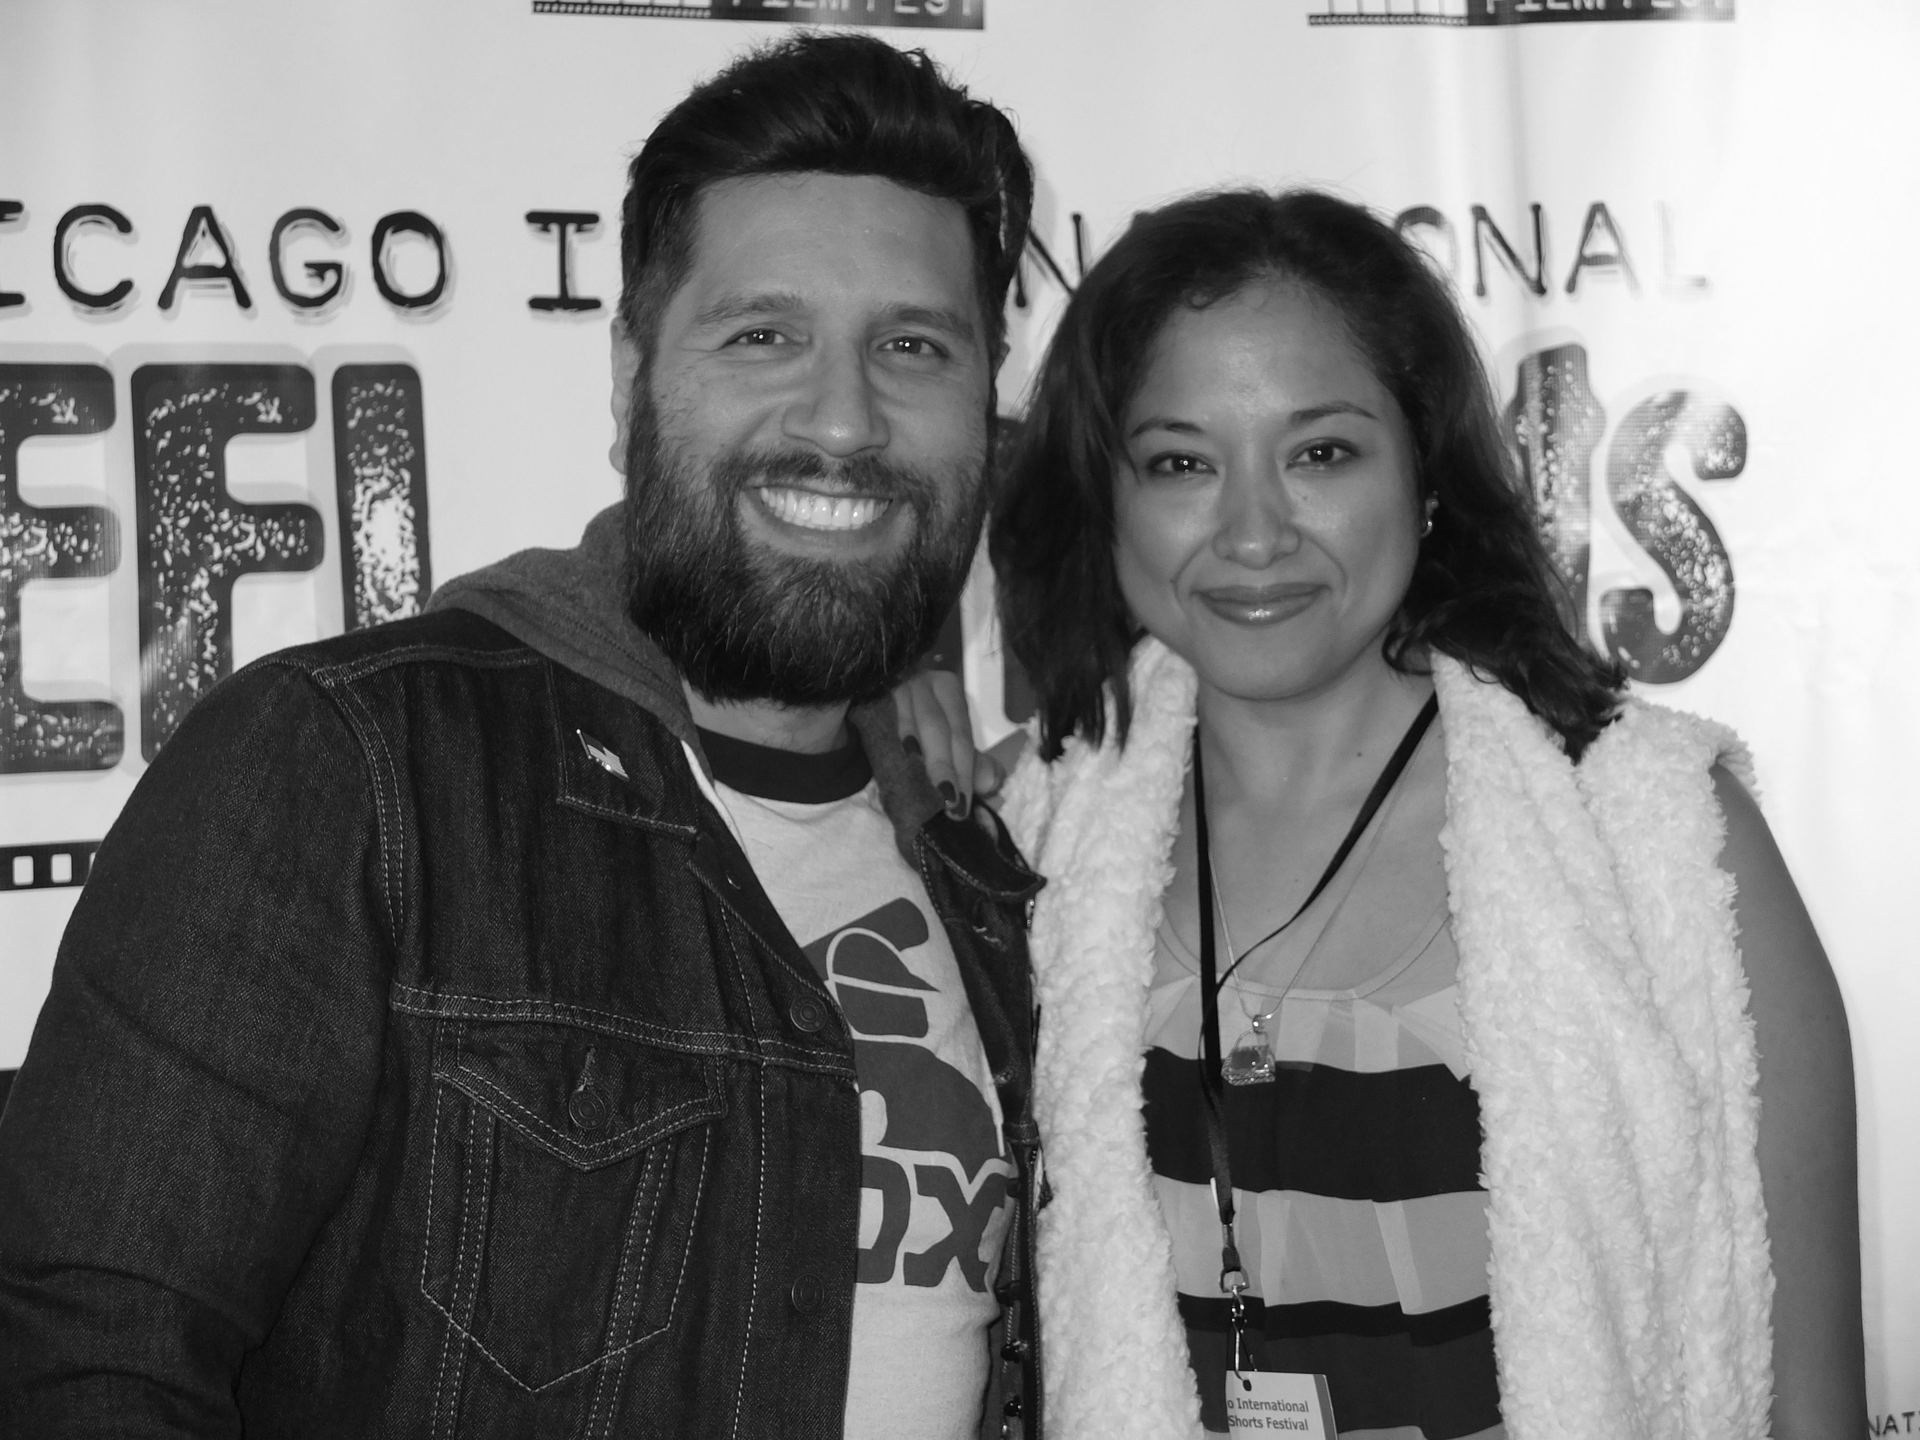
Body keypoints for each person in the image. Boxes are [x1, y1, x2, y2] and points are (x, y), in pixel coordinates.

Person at [0, 34, 1045, 1439]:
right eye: (764, 335)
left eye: (913, 346)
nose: (845, 419)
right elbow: (83, 1362)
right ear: (630, 374)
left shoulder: (991, 864)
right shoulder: (347, 770)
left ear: (988, 400)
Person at [909, 187, 1863, 1438]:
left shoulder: (1666, 841)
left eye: (1321, 453)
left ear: (1425, 474)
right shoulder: (1022, 847)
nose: (1254, 534)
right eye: (1183, 462)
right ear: (1110, 500)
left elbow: (1810, 1410)